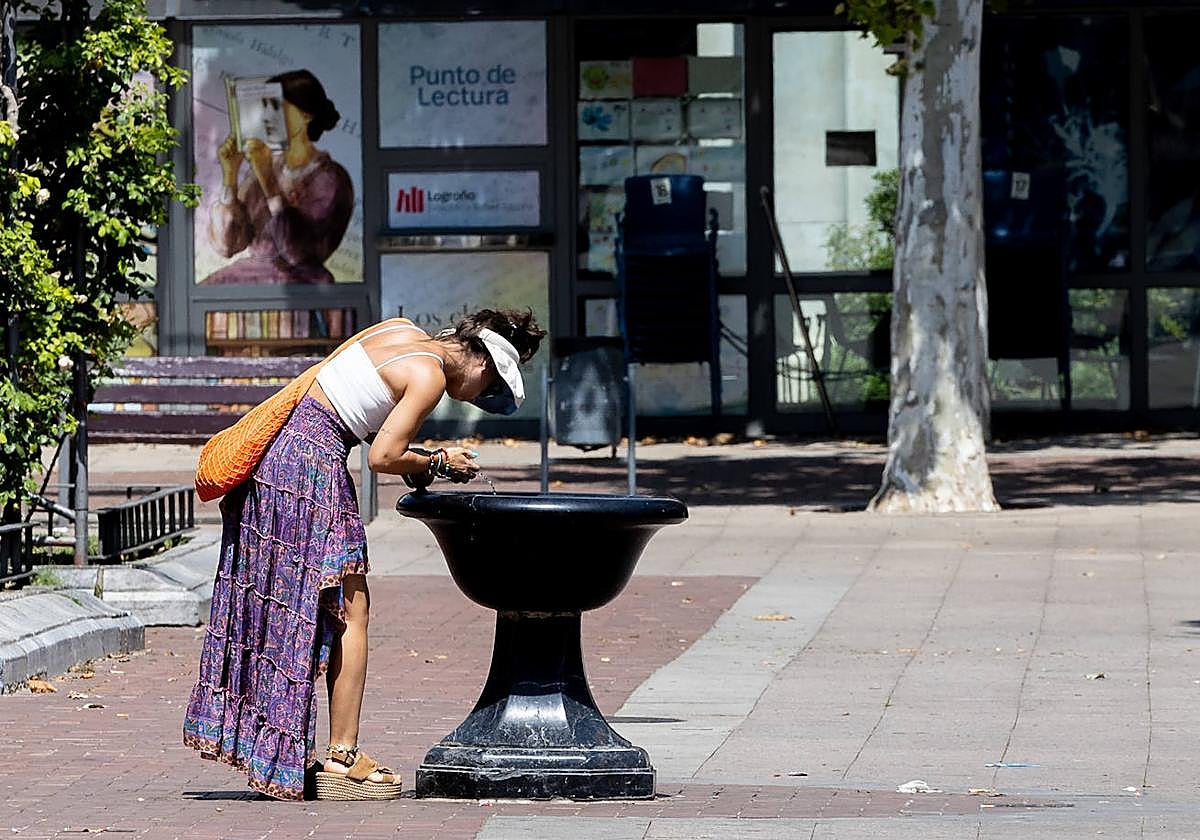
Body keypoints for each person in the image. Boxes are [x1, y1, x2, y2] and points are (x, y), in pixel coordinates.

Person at [183, 308, 546, 801]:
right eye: (488, 392)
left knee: (293, 603)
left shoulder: (398, 331)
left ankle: (272, 742)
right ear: (483, 366)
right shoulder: (431, 376)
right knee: (352, 610)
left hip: (279, 458)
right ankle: (342, 756)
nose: (479, 400)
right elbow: (382, 457)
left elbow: (359, 405)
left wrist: (417, 466)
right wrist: (439, 461)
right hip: (311, 469)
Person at [203, 69, 354, 284]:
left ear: (306, 115)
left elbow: (298, 254)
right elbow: (226, 247)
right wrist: (230, 176)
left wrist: (269, 183)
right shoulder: (262, 168)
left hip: (301, 287)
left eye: (278, 107)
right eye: (265, 108)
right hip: (251, 278)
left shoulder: (330, 178)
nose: (269, 117)